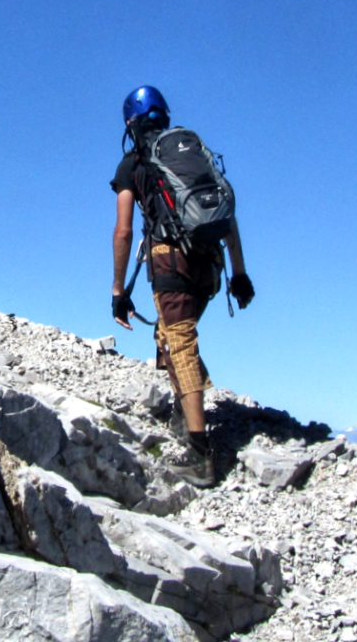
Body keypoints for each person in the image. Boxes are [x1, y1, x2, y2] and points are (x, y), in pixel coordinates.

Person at [110, 85, 254, 487]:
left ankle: (199, 453)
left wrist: (119, 292)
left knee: (179, 340)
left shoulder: (133, 163)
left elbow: (123, 232)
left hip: (169, 260)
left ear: (129, 123)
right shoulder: (193, 153)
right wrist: (239, 274)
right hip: (210, 264)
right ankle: (180, 411)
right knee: (167, 333)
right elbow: (227, 214)